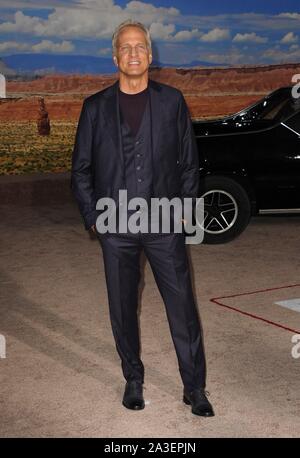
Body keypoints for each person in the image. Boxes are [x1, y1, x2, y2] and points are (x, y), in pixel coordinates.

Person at [71, 19, 214, 417]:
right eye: (125, 47)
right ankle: (133, 378)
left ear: (150, 56)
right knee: (122, 307)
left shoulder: (172, 102)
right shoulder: (95, 108)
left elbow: (189, 164)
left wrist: (185, 211)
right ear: (115, 56)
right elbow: (80, 170)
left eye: (140, 47)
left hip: (164, 223)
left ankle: (194, 387)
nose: (133, 53)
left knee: (182, 305)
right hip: (115, 226)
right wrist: (94, 219)